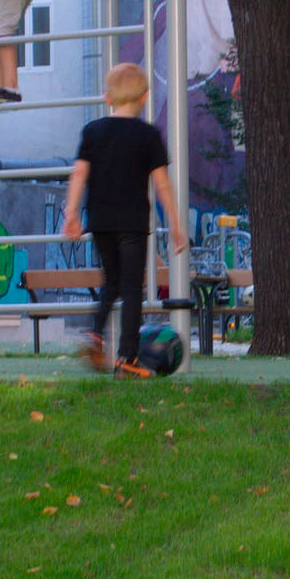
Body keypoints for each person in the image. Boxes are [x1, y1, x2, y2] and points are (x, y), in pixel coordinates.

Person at [61, 63, 188, 377]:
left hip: (100, 221)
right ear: (145, 97)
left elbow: (79, 173)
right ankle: (126, 359)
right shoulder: (148, 135)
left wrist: (71, 213)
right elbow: (161, 183)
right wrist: (175, 223)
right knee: (132, 288)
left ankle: (95, 332)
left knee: (112, 280)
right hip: (132, 223)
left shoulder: (92, 131)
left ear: (108, 98)